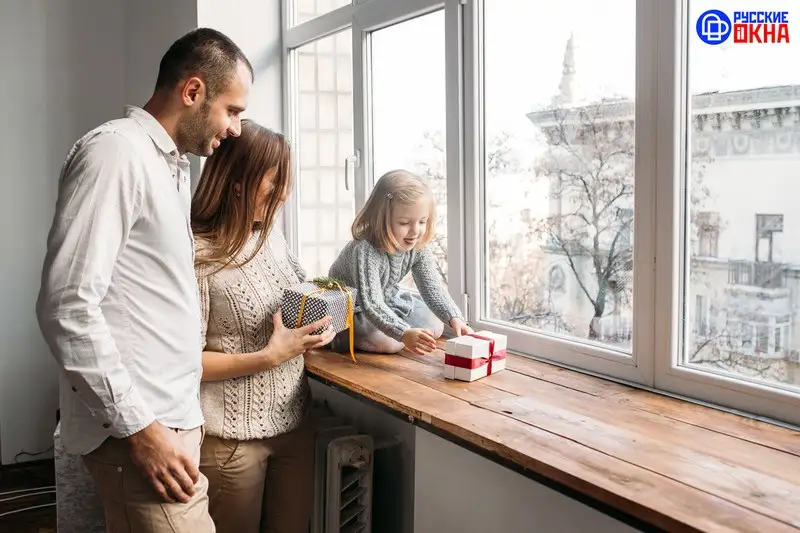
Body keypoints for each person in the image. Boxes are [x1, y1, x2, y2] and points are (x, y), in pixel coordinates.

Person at [36, 28, 253, 533]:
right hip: (142, 429)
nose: (238, 128)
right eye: (233, 110)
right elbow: (66, 305)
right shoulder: (117, 154)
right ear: (193, 91)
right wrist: (140, 428)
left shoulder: (171, 166)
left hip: (170, 418)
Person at [192, 119, 333, 533]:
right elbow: (185, 361)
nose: (284, 194)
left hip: (295, 422)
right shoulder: (197, 254)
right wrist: (269, 356)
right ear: (239, 182)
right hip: (230, 442)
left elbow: (296, 299)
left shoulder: (269, 235)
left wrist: (316, 328)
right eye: (276, 183)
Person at [328, 169, 472, 355]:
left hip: (387, 299)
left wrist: (456, 318)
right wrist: (403, 333)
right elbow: (370, 303)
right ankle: (346, 334)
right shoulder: (365, 250)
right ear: (381, 219)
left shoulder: (417, 246)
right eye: (404, 223)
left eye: (422, 222)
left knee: (436, 325)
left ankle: (396, 328)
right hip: (354, 308)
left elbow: (433, 288)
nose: (415, 231)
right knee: (391, 343)